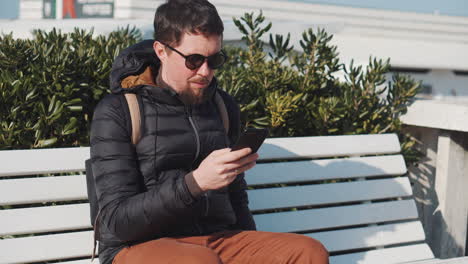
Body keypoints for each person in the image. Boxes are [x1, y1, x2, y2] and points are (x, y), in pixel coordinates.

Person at [90, 0, 329, 263]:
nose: (206, 72)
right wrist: (195, 184)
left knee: (308, 253)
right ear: (161, 50)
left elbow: (236, 196)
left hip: (217, 239)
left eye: (214, 59)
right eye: (193, 60)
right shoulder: (119, 110)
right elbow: (117, 221)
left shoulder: (222, 106)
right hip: (139, 246)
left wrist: (251, 245)